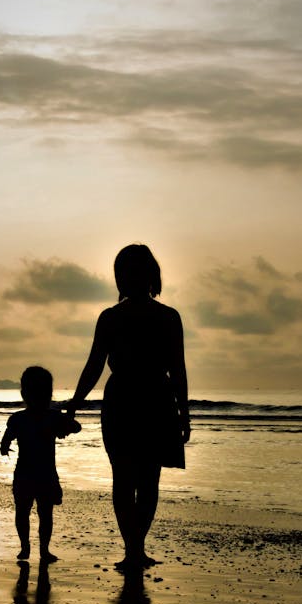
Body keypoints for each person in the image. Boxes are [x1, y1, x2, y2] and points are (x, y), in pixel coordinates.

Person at [65, 244, 190, 572]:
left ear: (150, 276)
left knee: (143, 480)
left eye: (136, 272)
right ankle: (134, 549)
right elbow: (94, 365)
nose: (130, 278)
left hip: (145, 401)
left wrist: (184, 414)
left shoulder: (164, 317)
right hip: (133, 401)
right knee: (132, 479)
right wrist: (74, 405)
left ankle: (135, 548)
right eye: (126, 272)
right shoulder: (115, 318)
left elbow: (178, 369)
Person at [0, 366, 81, 565]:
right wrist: (67, 423)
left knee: (24, 512)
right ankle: (41, 549)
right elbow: (76, 427)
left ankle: (27, 546)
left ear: (23, 394)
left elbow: (6, 439)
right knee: (44, 514)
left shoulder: (19, 418)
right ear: (50, 394)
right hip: (43, 474)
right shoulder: (52, 417)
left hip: (26, 473)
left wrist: (4, 447)